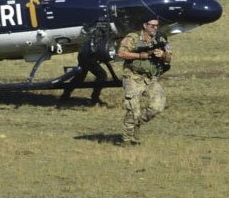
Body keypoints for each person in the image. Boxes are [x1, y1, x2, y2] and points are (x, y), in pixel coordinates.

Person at [115, 16, 172, 145]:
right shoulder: (133, 38)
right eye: (152, 25)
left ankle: (138, 124)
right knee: (133, 109)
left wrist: (163, 55)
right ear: (145, 25)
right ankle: (127, 139)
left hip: (151, 78)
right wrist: (141, 56)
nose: (155, 28)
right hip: (133, 77)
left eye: (157, 26)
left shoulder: (161, 39)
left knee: (157, 106)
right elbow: (121, 54)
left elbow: (169, 58)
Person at [58, 21, 115, 106]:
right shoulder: (98, 31)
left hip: (85, 55)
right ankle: (94, 98)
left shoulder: (94, 29)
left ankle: (65, 96)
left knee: (80, 77)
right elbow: (94, 46)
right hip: (88, 56)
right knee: (101, 75)